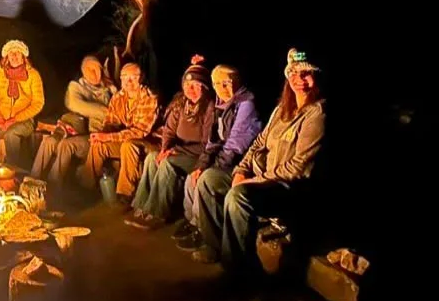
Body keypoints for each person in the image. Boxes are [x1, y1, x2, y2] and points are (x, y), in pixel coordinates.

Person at [193, 48, 326, 276]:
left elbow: (299, 166)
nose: (299, 81)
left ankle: (237, 271)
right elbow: (258, 143)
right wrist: (241, 171)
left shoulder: (317, 114)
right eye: (293, 74)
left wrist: (255, 180)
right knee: (209, 179)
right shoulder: (281, 110)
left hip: (287, 188)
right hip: (262, 179)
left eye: (306, 74)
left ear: (317, 76)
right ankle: (217, 247)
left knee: (238, 196)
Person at [173, 65, 260, 251]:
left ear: (237, 81)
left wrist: (214, 167)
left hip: (240, 164)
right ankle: (195, 223)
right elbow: (213, 140)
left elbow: (235, 145)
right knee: (193, 176)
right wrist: (202, 164)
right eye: (217, 84)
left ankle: (210, 240)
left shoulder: (246, 104)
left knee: (206, 179)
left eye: (227, 83)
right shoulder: (222, 102)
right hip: (226, 158)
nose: (222, 88)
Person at [126, 55, 215, 229]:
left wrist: (177, 151)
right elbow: (169, 130)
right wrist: (165, 149)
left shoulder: (209, 108)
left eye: (196, 85)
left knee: (167, 164)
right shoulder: (181, 103)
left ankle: (157, 213)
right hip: (180, 151)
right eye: (187, 85)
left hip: (197, 155)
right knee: (153, 158)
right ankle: (141, 207)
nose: (191, 89)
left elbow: (207, 143)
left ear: (204, 87)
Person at [80, 62, 159, 205]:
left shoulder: (149, 98)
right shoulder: (118, 98)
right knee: (99, 145)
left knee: (128, 145)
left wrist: (109, 136)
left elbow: (140, 132)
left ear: (141, 78)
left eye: (133, 78)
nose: (128, 82)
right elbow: (111, 122)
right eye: (124, 77)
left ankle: (125, 194)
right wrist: (102, 135)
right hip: (125, 138)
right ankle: (86, 189)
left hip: (148, 142)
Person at [30, 55, 115, 187]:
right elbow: (73, 104)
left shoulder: (109, 89)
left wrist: (109, 93)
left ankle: (52, 185)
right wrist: (103, 111)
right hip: (72, 129)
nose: (93, 74)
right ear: (83, 71)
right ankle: (32, 181)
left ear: (101, 69)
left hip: (95, 137)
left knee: (66, 145)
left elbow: (113, 115)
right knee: (49, 141)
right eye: (88, 69)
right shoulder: (77, 86)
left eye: (96, 69)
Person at [0, 40, 45, 179]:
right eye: (11, 53)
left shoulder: (33, 75)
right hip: (1, 119)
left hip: (23, 121)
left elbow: (38, 103)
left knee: (11, 135)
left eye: (17, 53)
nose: (14, 56)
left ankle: (13, 175)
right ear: (6, 57)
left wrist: (16, 119)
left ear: (23, 57)